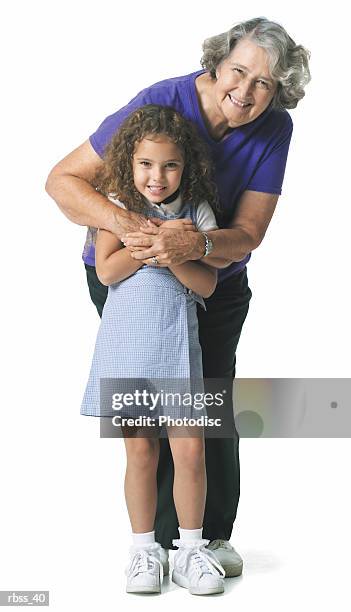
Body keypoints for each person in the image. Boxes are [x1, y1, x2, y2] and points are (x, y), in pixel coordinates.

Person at [45, 17, 311, 577]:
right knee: (146, 413)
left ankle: (204, 541)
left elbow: (250, 232)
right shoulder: (160, 104)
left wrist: (198, 243)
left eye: (264, 84)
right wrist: (134, 226)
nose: (246, 90)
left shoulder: (274, 130)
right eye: (238, 71)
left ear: (279, 91)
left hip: (211, 269)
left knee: (205, 407)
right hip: (128, 279)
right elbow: (64, 180)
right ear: (217, 63)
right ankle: (153, 544)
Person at [81, 104, 227, 595]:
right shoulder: (119, 207)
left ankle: (190, 550)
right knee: (140, 451)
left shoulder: (197, 212)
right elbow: (106, 272)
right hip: (128, 346)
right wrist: (144, 238)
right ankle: (144, 551)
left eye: (169, 166)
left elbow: (206, 286)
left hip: (178, 346)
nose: (156, 177)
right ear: (131, 162)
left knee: (190, 452)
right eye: (146, 164)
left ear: (186, 167)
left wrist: (174, 252)